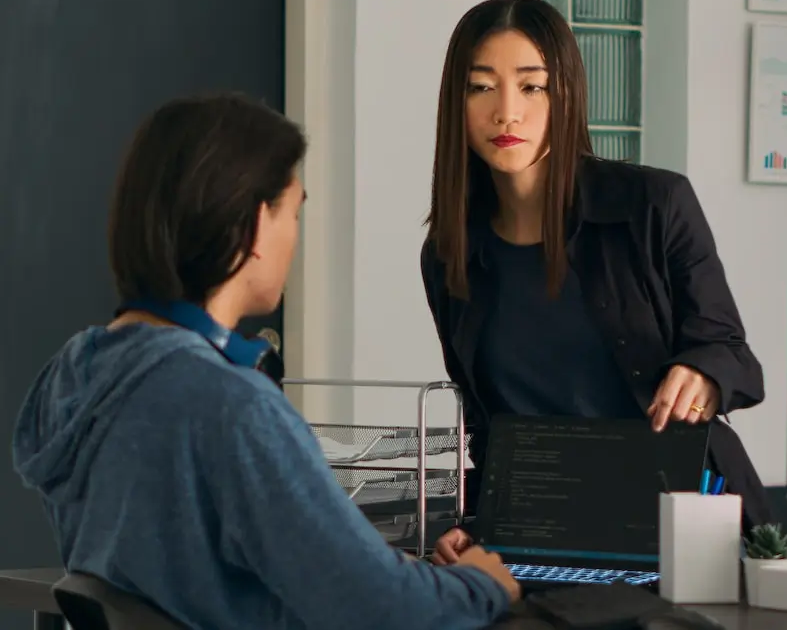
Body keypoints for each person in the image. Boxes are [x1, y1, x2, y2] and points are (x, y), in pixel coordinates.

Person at [12, 94, 518, 630]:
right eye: (293, 211)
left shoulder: (78, 373)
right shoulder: (226, 406)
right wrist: (481, 582)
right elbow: (384, 607)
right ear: (257, 226)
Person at [420, 0, 771, 565]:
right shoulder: (449, 255)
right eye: (481, 87)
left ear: (567, 96)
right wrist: (473, 527)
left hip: (675, 527)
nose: (507, 112)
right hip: (541, 534)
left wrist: (703, 375)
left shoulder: (654, 205)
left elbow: (734, 356)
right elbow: (489, 431)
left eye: (532, 87)